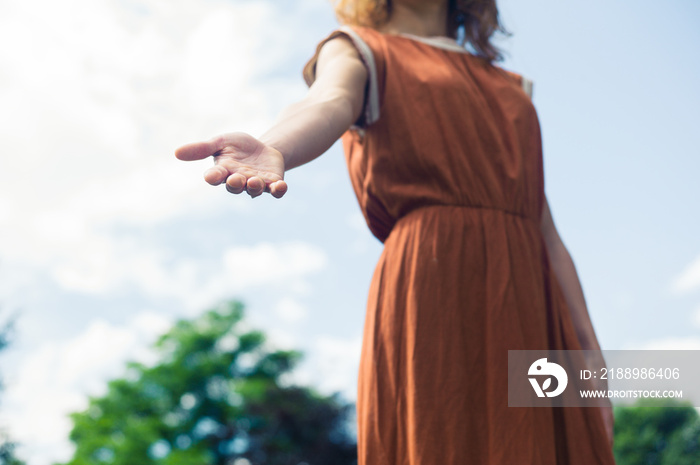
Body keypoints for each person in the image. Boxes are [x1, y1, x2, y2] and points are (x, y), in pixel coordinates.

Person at [176, 0, 615, 463]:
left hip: (529, 295)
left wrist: (588, 352)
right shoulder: (359, 49)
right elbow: (329, 101)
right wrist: (275, 146)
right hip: (434, 281)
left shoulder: (513, 89)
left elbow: (545, 228)